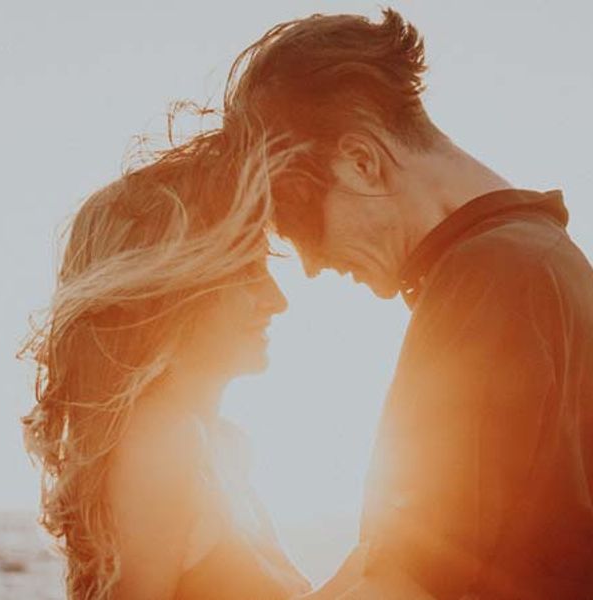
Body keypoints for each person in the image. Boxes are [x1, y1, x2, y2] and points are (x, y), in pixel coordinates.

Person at [223, 9, 593, 599]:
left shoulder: (493, 276)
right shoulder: (537, 259)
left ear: (361, 161)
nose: (314, 266)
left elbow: (414, 579)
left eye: (299, 222)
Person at [20, 124, 311, 599]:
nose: (276, 300)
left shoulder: (223, 447)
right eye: (246, 272)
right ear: (172, 292)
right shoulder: (161, 442)